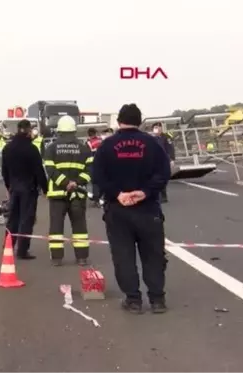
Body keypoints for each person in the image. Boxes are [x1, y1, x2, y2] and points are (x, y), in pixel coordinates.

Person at [92, 103, 171, 314]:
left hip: (118, 210)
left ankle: (133, 300)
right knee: (153, 255)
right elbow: (164, 173)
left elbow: (98, 176)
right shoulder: (153, 144)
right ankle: (157, 300)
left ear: (119, 122)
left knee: (123, 256)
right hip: (148, 209)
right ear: (140, 122)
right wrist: (145, 192)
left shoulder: (107, 146)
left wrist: (118, 193)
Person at [43, 116, 94, 266]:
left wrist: (65, 183)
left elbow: (50, 170)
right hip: (77, 193)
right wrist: (76, 183)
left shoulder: (51, 148)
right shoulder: (84, 148)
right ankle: (82, 257)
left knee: (56, 226)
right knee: (79, 226)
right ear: (74, 130)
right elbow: (90, 170)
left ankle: (57, 258)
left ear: (58, 130)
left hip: (58, 194)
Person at [1, 119, 48, 260]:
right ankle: (22, 250)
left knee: (12, 219)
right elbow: (39, 171)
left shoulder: (7, 148)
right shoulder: (32, 149)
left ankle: (8, 246)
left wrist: (9, 185)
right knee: (26, 219)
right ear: (28, 130)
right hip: (29, 188)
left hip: (14, 187)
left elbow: (4, 171)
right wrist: (45, 189)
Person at [151, 122, 175, 203]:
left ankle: (163, 195)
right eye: (155, 127)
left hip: (164, 160)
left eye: (159, 127)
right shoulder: (151, 138)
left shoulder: (166, 137)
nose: (157, 129)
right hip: (153, 161)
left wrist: (172, 159)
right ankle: (157, 195)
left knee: (162, 178)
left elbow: (170, 149)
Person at [86, 128, 103, 206]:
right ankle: (101, 197)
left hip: (93, 163)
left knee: (95, 182)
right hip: (103, 163)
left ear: (89, 134)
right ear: (95, 133)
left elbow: (86, 154)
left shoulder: (88, 143)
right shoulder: (101, 140)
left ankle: (96, 200)